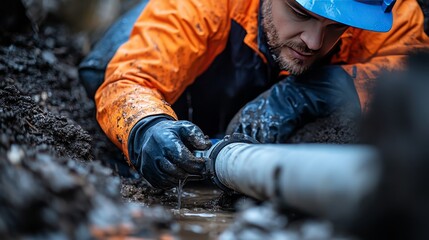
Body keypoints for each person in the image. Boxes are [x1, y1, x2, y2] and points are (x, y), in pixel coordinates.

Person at [78, 0, 429, 189]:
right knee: (104, 74)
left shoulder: (379, 8)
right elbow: (132, 77)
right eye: (300, 13)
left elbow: (415, 71)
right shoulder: (199, 6)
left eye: (336, 26)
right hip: (195, 56)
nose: (314, 41)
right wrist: (147, 127)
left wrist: (312, 91)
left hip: (267, 74)